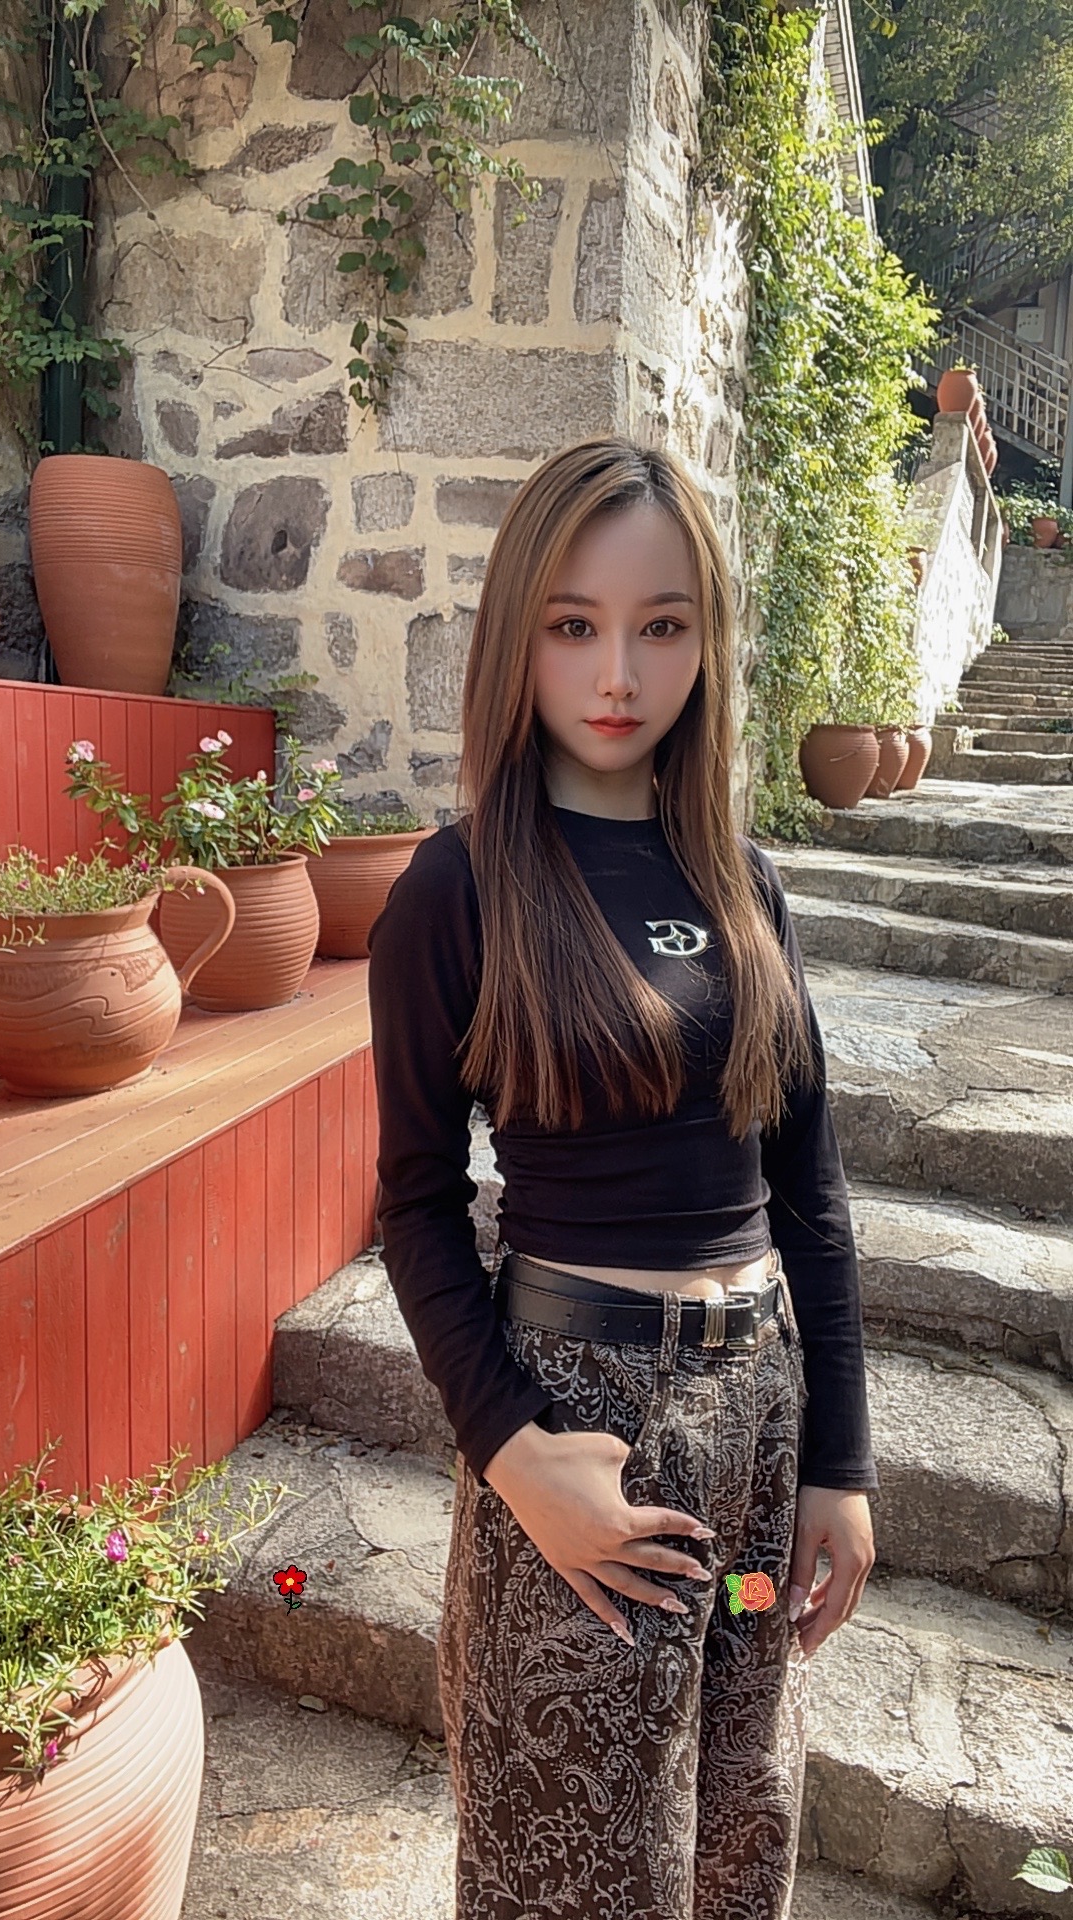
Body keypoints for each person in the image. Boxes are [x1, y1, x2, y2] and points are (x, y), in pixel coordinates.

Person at [366, 436, 878, 1920]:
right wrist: (515, 1453)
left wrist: (839, 1462)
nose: (616, 674)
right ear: (516, 636)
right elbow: (415, 1206)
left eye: (662, 626)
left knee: (739, 1837)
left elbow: (810, 1193)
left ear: (706, 642)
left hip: (760, 1426)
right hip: (582, 1428)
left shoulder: (744, 878)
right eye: (573, 624)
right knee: (573, 1864)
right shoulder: (457, 890)